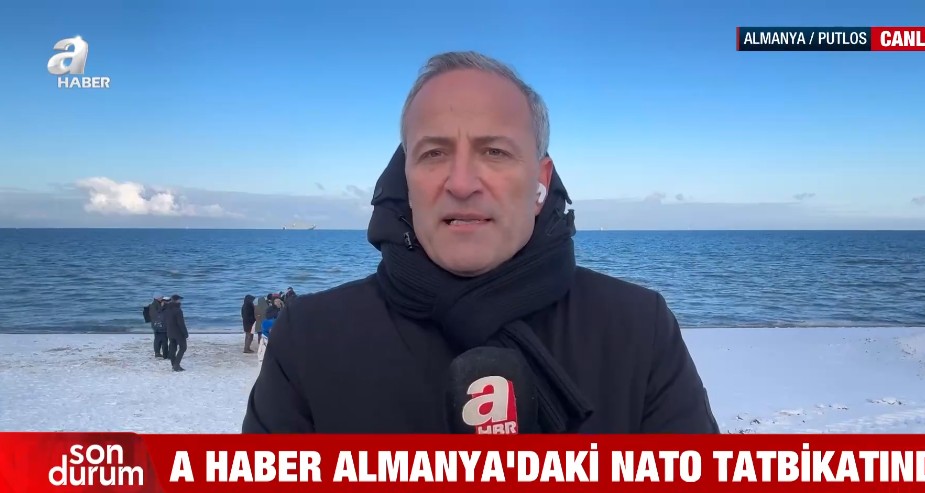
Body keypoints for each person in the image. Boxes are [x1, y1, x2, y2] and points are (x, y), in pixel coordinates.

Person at [243, 51, 718, 433]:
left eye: (494, 151)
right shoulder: (310, 339)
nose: (462, 183)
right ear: (406, 179)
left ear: (540, 181)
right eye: (434, 153)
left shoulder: (638, 329)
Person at [162, 294, 189, 372]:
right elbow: (181, 323)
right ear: (177, 300)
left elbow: (165, 321)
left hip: (170, 332)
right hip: (178, 333)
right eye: (179, 300)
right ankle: (176, 365)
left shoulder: (167, 309)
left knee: (172, 348)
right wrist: (185, 333)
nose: (180, 301)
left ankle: (173, 364)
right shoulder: (178, 310)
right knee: (183, 347)